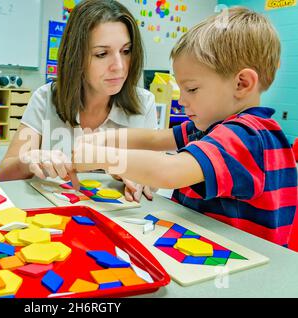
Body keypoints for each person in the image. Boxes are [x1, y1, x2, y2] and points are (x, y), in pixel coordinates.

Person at [73, 7, 298, 249]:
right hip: (204, 247)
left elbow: (168, 171)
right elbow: (155, 139)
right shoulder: (211, 127)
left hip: (240, 267)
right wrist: (103, 139)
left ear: (242, 84)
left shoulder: (247, 135)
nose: (182, 100)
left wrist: (102, 157)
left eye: (191, 89)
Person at [0, 0, 158, 202]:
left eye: (126, 51)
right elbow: (3, 175)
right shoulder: (46, 98)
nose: (119, 66)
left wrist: (141, 177)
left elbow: (155, 179)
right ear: (76, 57)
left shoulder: (144, 103)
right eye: (102, 54)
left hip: (118, 218)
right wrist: (29, 159)